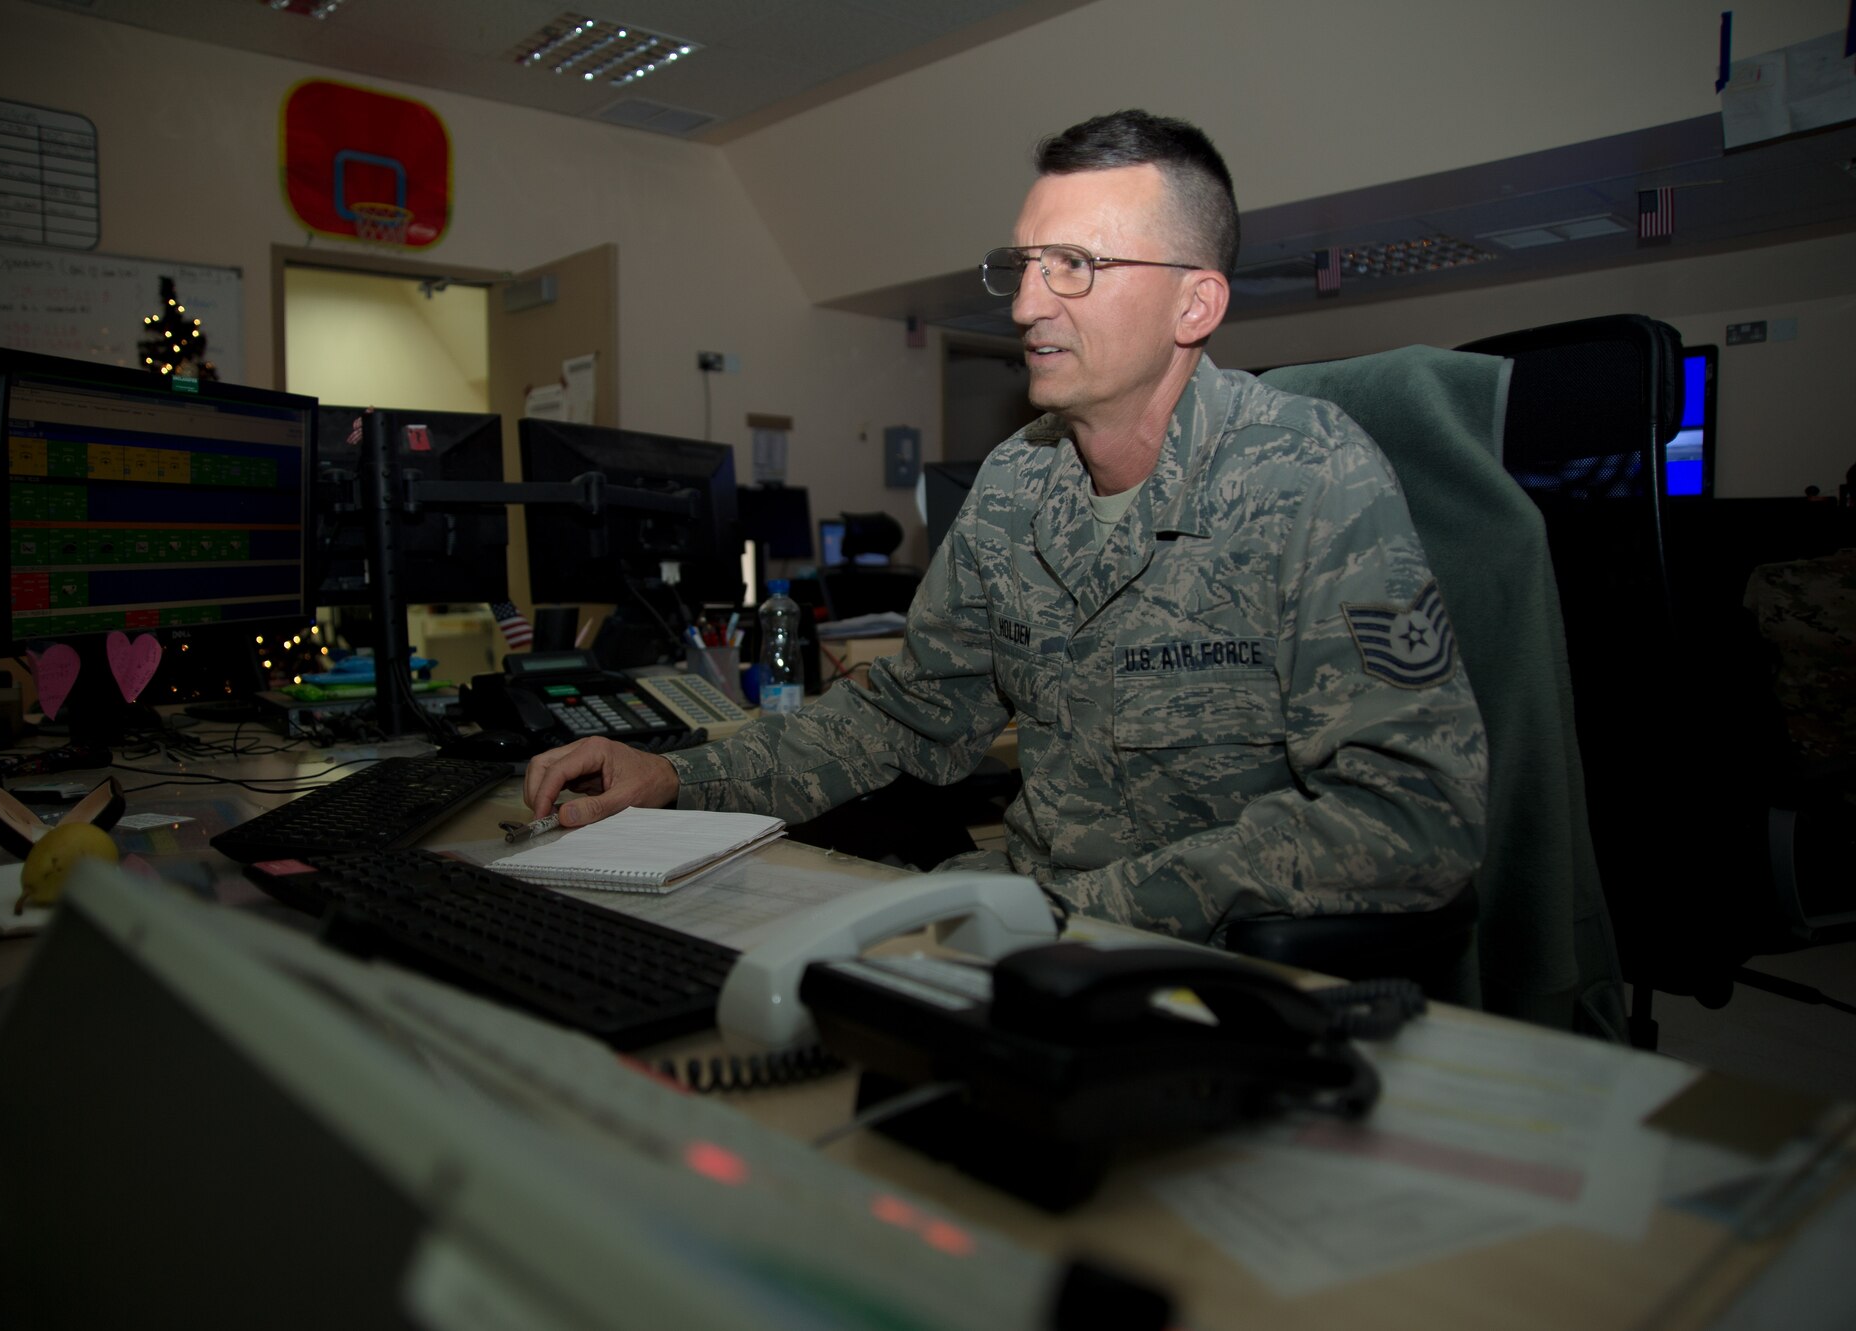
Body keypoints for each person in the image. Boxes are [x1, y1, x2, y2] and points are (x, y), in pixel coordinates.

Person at [524, 109, 1489, 942]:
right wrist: (679, 776)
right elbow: (901, 715)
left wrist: (1096, 911)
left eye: (1075, 266)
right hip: (1022, 924)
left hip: (1210, 966)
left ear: (1195, 302)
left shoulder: (1309, 473)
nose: (1027, 304)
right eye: (1025, 265)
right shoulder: (1016, 484)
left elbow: (1414, 816)